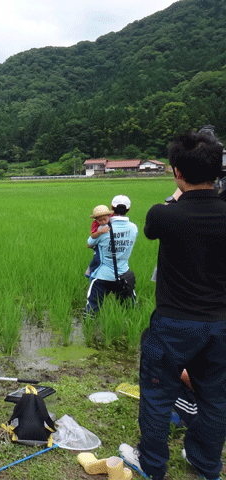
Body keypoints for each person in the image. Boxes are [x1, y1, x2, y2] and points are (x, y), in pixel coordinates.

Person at [119, 129, 226, 480]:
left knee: (156, 394)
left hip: (173, 324)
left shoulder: (165, 215)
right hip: (220, 324)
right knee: (215, 398)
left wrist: (179, 193)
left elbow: (153, 228)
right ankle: (206, 463)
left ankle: (151, 464)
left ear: (177, 172)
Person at [85, 195, 138, 314]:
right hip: (124, 275)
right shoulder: (134, 228)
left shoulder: (103, 228)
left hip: (103, 275)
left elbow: (89, 243)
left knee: (91, 311)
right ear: (128, 209)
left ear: (111, 208)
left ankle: (88, 331)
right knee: (130, 311)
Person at [85, 204, 112, 278]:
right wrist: (100, 232)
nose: (103, 222)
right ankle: (91, 272)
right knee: (97, 258)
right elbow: (93, 236)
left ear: (109, 216)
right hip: (97, 246)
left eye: (105, 219)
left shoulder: (111, 219)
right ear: (96, 220)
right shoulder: (95, 225)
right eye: (100, 220)